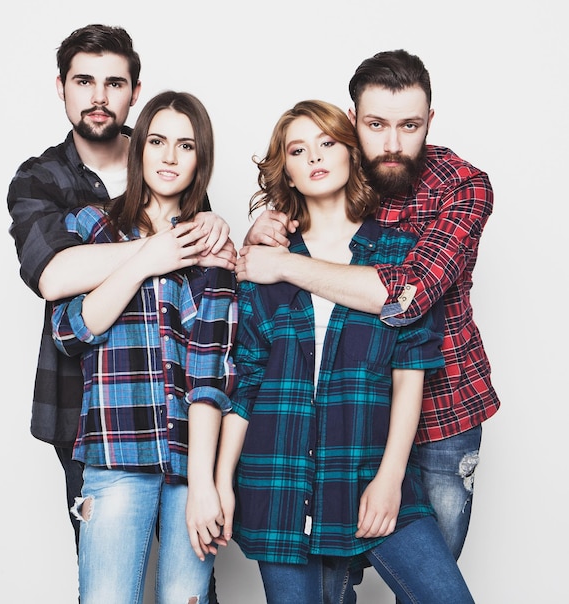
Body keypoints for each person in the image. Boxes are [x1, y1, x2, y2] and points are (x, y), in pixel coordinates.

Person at [241, 51, 500, 592]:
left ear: (430, 120)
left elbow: (406, 297)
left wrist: (283, 262)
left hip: (445, 409)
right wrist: (265, 228)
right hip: (348, 415)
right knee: (333, 576)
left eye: (410, 126)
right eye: (376, 125)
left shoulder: (463, 186)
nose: (393, 144)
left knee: (427, 579)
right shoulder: (342, 173)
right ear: (353, 121)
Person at [51, 90, 235, 603]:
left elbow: (211, 372)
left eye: (186, 145)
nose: (170, 157)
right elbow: (69, 332)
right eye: (157, 141)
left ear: (202, 160)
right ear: (139, 149)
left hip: (188, 463)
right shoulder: (92, 226)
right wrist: (145, 259)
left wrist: (205, 485)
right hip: (113, 452)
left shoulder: (211, 246)